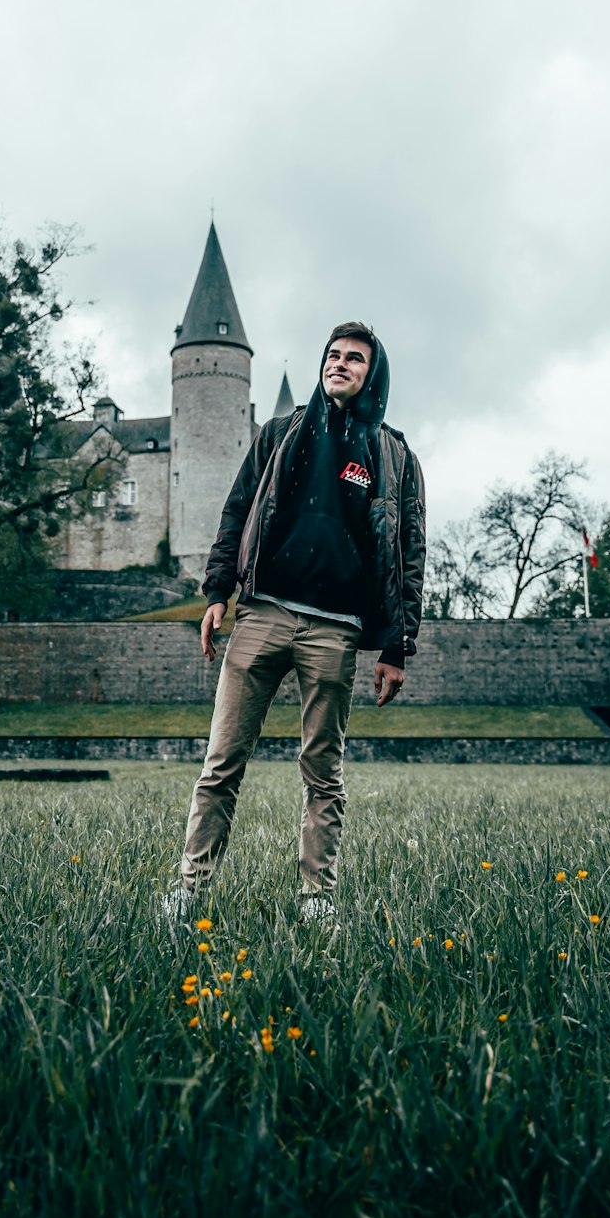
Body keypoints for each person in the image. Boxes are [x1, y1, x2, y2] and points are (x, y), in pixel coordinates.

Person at [164, 321, 425, 923]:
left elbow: (409, 554)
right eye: (332, 355)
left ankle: (316, 899)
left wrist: (397, 645)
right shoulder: (280, 434)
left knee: (323, 773)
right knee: (221, 761)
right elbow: (236, 511)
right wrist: (216, 593)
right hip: (262, 615)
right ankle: (190, 887)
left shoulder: (393, 453)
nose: (339, 364)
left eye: (353, 359)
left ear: (372, 373)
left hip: (336, 628)